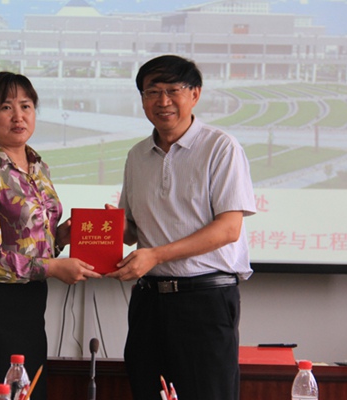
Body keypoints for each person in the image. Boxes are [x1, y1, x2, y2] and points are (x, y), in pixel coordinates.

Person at [106, 55, 257, 400]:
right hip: (148, 302)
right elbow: (132, 230)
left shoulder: (221, 147)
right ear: (142, 98)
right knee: (147, 391)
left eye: (173, 90)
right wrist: (104, 228)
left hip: (204, 300)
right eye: (152, 91)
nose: (163, 101)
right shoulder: (137, 155)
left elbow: (228, 229)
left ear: (195, 94)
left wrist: (156, 255)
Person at [0, 71, 101, 400]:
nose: (18, 116)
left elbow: (32, 241)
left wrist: (62, 237)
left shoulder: (39, 167)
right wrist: (52, 267)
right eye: (6, 107)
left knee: (28, 394)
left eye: (26, 106)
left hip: (30, 308)